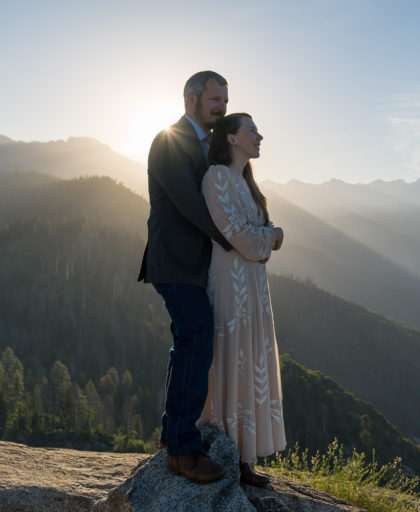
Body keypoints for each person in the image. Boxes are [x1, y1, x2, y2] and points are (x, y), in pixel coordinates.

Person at [137, 71, 233, 484]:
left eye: (225, 101)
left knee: (188, 344)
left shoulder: (208, 144)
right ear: (192, 98)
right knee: (196, 338)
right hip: (174, 261)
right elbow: (189, 203)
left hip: (195, 264)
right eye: (215, 100)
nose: (222, 107)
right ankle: (182, 452)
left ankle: (173, 437)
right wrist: (234, 240)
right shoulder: (169, 141)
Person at [198, 113, 286, 487]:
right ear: (231, 138)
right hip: (231, 281)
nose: (259, 136)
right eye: (252, 130)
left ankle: (244, 456)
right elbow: (234, 232)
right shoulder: (216, 177)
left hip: (252, 284)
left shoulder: (246, 182)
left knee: (249, 361)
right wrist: (273, 236)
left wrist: (265, 238)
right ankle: (226, 453)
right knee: (231, 358)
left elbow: (253, 235)